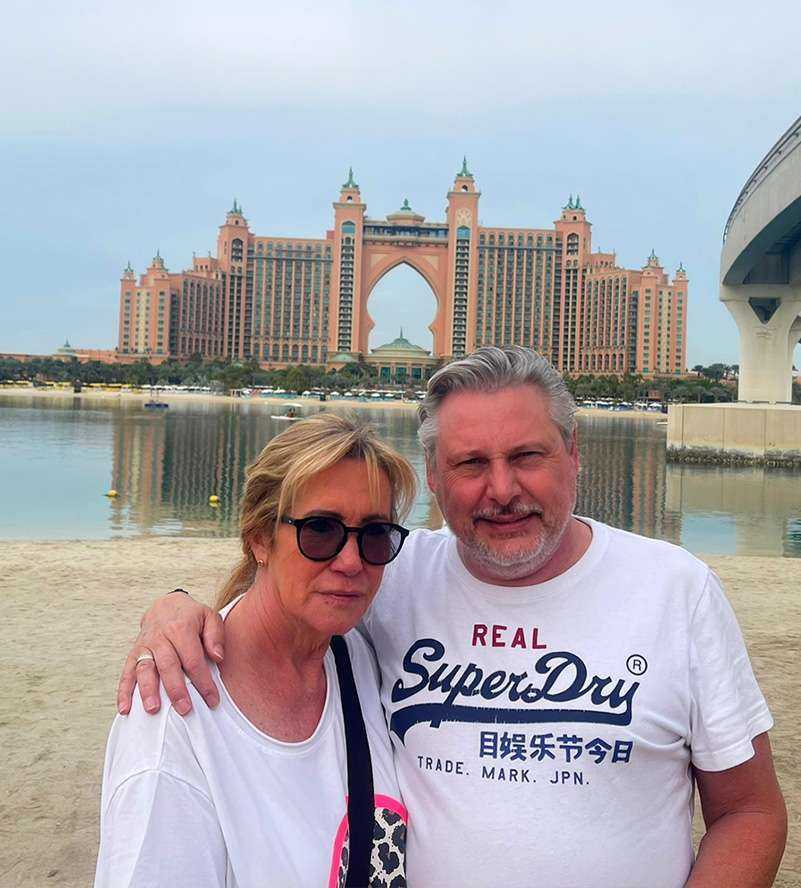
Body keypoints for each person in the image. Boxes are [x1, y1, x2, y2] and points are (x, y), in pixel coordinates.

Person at [119, 347, 787, 887]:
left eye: (526, 456)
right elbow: (285, 587)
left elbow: (749, 811)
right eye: (470, 464)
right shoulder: (388, 575)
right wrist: (174, 609)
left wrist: (174, 606)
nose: (502, 490)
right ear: (435, 478)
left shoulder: (675, 590)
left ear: (572, 453)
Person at [96, 414, 417, 887]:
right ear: (258, 538)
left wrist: (173, 601)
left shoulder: (360, 657)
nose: (351, 561)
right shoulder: (175, 715)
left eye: (374, 534)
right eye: (320, 530)